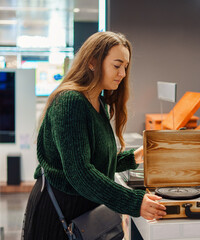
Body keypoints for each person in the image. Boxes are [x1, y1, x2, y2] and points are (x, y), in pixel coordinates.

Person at [22, 31, 166, 239]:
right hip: (60, 214)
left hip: (83, 214)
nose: (123, 74)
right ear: (92, 62)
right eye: (117, 66)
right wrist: (134, 202)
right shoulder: (70, 102)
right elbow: (80, 172)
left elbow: (95, 161)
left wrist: (136, 156)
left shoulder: (99, 104)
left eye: (125, 67)